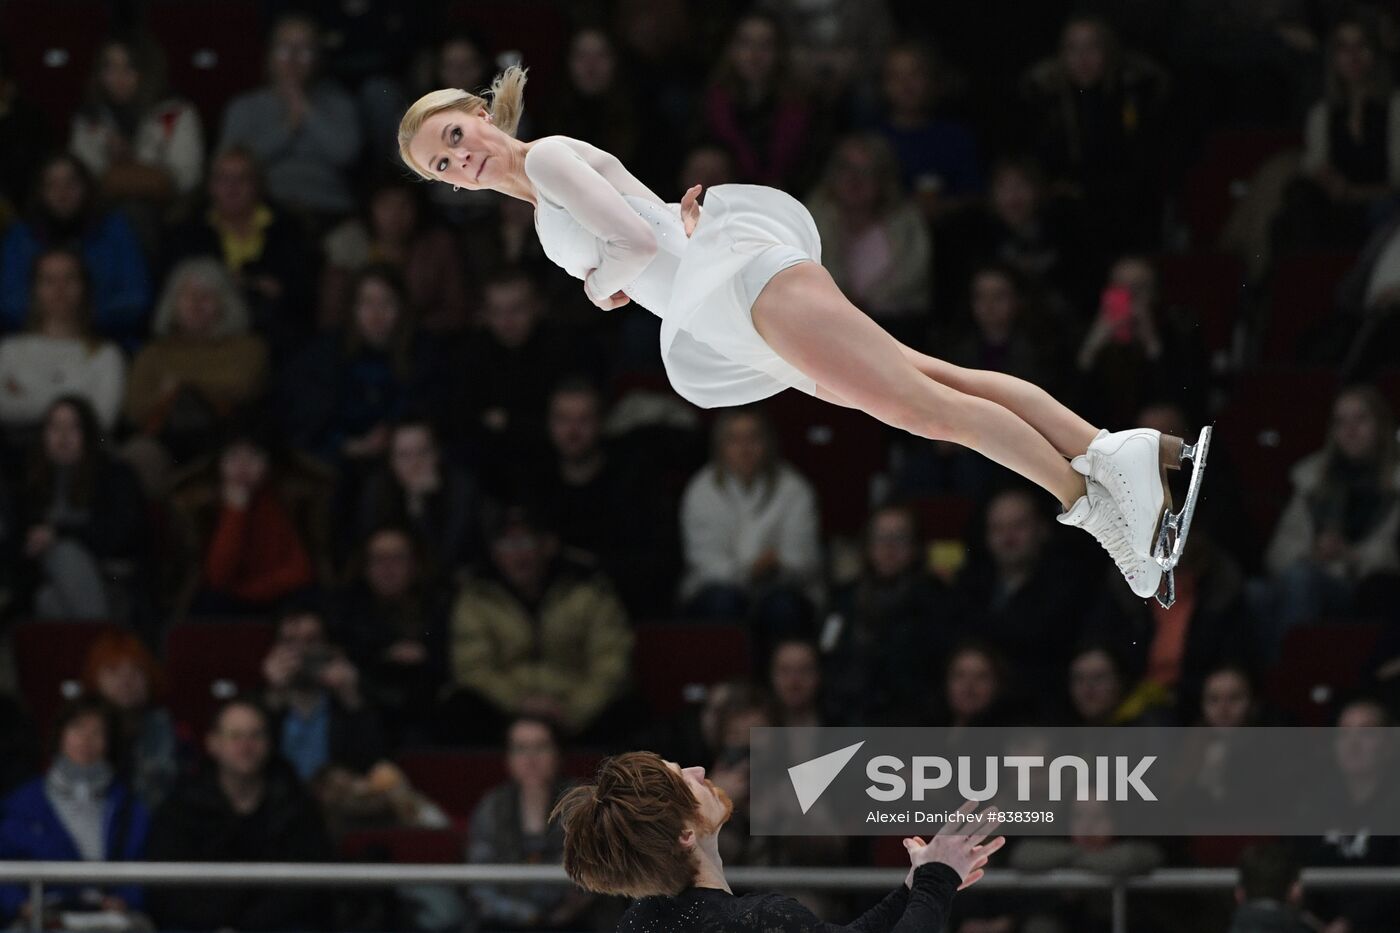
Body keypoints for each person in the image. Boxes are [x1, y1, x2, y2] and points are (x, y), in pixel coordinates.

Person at [398, 67, 1210, 605]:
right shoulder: (537, 193)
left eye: (454, 138)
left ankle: (1096, 501)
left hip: (739, 285)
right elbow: (642, 228)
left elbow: (638, 245)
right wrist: (619, 265)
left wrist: (593, 282)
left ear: (478, 112)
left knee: (924, 407)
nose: (456, 161)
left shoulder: (544, 159)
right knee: (938, 381)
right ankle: (1126, 451)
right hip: (728, 304)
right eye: (439, 166)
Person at [551, 751, 1004, 929]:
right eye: (684, 780)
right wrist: (937, 881)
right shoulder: (760, 919)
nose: (700, 772)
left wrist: (913, 888)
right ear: (685, 835)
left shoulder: (641, 921)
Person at [444, 504, 636, 746]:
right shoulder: (477, 595)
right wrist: (519, 704)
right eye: (507, 545)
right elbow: (473, 669)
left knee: (627, 711)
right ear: (494, 552)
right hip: (506, 712)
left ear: (548, 545)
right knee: (461, 708)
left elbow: (611, 664)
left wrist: (573, 712)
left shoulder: (589, 590)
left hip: (577, 712)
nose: (518, 556)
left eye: (525, 543)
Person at [145, 697, 333, 932]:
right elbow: (168, 890)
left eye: (256, 735)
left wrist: (250, 926)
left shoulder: (297, 805)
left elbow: (308, 889)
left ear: (270, 743)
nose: (246, 746)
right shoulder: (180, 807)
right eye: (235, 736)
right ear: (213, 743)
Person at [0, 697, 149, 927]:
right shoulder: (21, 804)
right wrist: (21, 905)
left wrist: (125, 900)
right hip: (42, 919)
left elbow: (142, 865)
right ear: (60, 735)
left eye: (97, 732)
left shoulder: (129, 807)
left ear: (110, 744)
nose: (86, 740)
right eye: (77, 728)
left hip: (111, 921)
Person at [679, 407, 822, 639]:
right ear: (720, 445)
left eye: (753, 438)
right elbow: (704, 562)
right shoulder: (700, 490)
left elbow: (803, 559)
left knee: (783, 607)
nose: (744, 449)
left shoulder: (794, 488)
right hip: (717, 589)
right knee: (722, 602)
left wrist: (776, 566)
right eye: (734, 440)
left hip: (781, 587)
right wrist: (749, 571)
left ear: (768, 442)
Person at [124, 256, 270, 471]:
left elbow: (244, 387)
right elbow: (134, 409)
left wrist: (179, 384)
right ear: (172, 303)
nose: (196, 302)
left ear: (225, 303)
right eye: (188, 295)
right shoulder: (153, 353)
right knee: (137, 456)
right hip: (165, 442)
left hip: (229, 440)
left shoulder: (248, 348)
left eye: (207, 296)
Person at [218, 11, 361, 221]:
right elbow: (228, 168)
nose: (293, 59)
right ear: (269, 55)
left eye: (304, 51)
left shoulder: (340, 103)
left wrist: (305, 108)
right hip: (263, 211)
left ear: (318, 57)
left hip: (329, 208)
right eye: (284, 50)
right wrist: (287, 129)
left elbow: (346, 154)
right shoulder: (244, 107)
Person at [18, 396, 148, 621]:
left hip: (112, 582)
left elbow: (120, 536)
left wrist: (58, 534)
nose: (63, 436)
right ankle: (96, 643)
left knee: (63, 553)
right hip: (50, 584)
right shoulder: (32, 483)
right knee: (47, 600)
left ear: (88, 433)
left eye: (73, 427)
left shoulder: (115, 475)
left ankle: (97, 631)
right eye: (55, 427)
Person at [0, 152, 151, 340]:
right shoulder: (21, 237)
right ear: (40, 192)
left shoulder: (114, 230)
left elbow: (136, 298)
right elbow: (7, 301)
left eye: (71, 183)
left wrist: (81, 321)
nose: (62, 193)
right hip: (31, 343)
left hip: (106, 342)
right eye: (52, 185)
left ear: (86, 187)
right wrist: (51, 324)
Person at [465, 716, 595, 931]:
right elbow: (479, 884)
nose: (530, 759)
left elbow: (592, 882)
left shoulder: (584, 804)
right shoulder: (492, 806)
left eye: (541, 747)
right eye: (520, 749)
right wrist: (525, 917)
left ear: (558, 754)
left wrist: (557, 917)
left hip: (572, 924)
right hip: (502, 923)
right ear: (508, 758)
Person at [68, 32, 204, 227]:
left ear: (148, 71)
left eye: (129, 67)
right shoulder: (89, 119)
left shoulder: (176, 112)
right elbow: (82, 180)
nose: (118, 77)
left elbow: (186, 180)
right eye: (110, 67)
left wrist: (129, 165)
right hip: (98, 216)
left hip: (170, 217)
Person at [0, 248, 126, 436]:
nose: (60, 289)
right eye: (49, 280)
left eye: (69, 279)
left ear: (84, 286)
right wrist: (71, 406)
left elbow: (101, 421)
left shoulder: (106, 354)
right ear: (35, 289)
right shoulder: (9, 350)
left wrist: (25, 396)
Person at [80, 631, 178, 810]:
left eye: (137, 670)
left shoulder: (171, 730)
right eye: (113, 670)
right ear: (95, 678)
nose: (126, 680)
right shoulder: (80, 732)